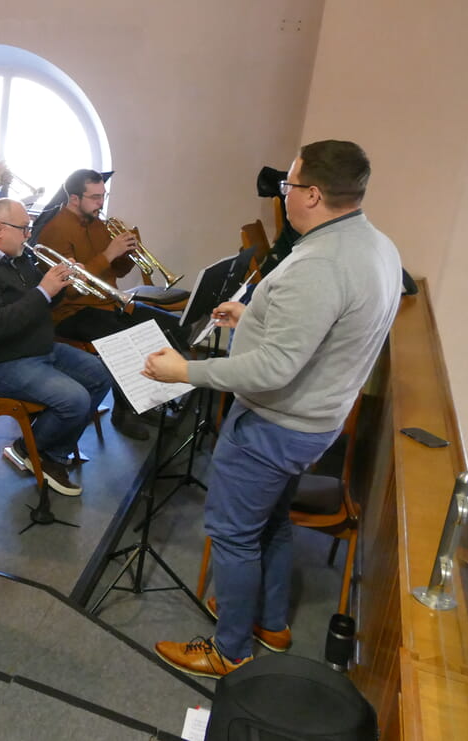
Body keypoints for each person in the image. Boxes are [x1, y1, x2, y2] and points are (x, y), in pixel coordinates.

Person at [145, 140, 401, 678]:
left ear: (311, 194)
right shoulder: (375, 244)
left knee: (234, 534)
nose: (283, 196)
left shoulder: (321, 264)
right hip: (315, 422)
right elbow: (320, 329)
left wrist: (185, 372)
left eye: (288, 185)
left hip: (274, 424)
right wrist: (254, 315)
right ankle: (271, 621)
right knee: (273, 521)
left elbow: (271, 371)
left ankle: (231, 649)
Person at [0, 199, 113, 495]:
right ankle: (30, 448)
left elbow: (42, 302)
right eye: (24, 228)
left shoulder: (16, 257)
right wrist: (42, 291)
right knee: (75, 399)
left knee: (101, 374)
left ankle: (48, 452)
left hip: (34, 348)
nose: (28, 235)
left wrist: (61, 285)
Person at [36, 168, 180, 439]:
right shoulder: (55, 231)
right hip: (72, 312)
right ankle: (123, 411)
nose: (101, 203)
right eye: (95, 197)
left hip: (107, 302)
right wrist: (109, 252)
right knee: (125, 338)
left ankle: (145, 400)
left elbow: (118, 271)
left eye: (103, 196)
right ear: (75, 199)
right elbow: (71, 290)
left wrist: (127, 253)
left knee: (159, 325)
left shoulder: (98, 223)